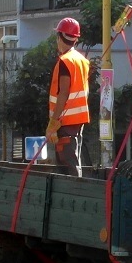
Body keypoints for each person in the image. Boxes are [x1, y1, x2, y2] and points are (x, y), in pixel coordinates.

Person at [46, 17, 90, 177]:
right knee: (73, 161)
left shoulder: (65, 61)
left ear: (60, 37)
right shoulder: (82, 61)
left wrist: (53, 123)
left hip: (64, 123)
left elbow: (63, 93)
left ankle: (74, 195)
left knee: (67, 167)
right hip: (77, 121)